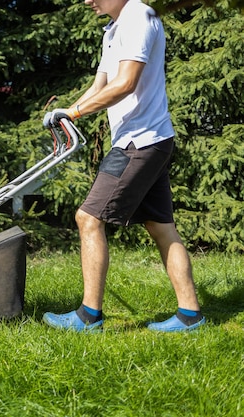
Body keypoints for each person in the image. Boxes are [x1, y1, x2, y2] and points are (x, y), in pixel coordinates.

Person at [42, 0, 205, 332]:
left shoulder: (137, 18)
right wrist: (68, 112)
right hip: (146, 139)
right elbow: (100, 85)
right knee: (161, 226)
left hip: (139, 143)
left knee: (87, 218)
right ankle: (190, 316)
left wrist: (75, 114)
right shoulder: (114, 29)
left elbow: (126, 83)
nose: (88, 0)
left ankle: (89, 317)